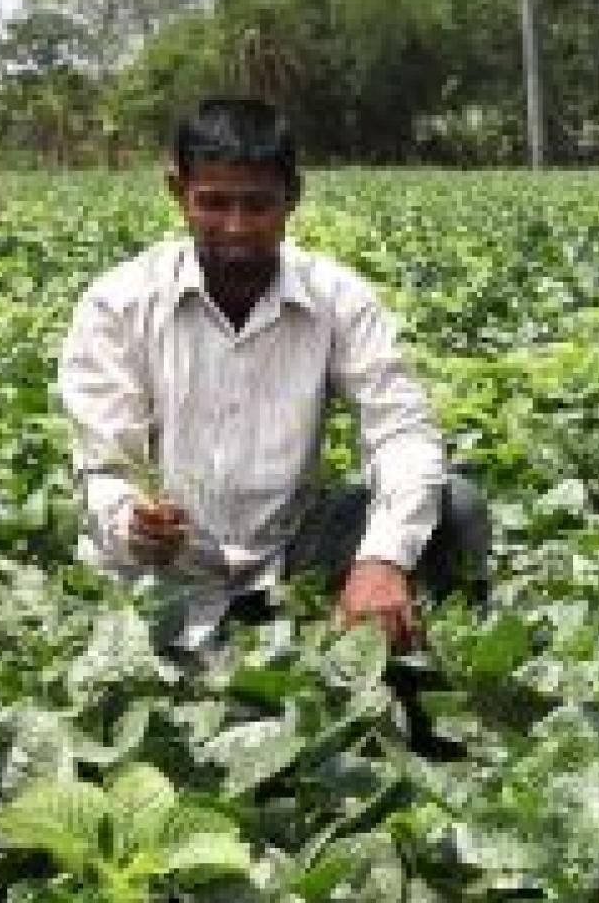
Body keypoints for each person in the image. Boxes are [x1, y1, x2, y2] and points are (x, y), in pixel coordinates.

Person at [57, 96, 488, 655]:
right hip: (164, 578)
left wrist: (382, 561)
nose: (235, 228)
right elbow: (104, 467)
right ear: (178, 193)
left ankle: (425, 689)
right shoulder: (118, 304)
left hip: (291, 554)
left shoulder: (338, 300)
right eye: (213, 204)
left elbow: (404, 433)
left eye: (257, 205)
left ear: (292, 199)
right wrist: (135, 527)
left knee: (457, 508)